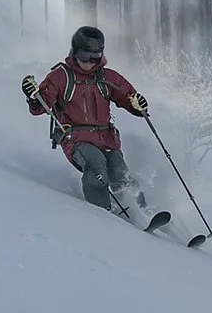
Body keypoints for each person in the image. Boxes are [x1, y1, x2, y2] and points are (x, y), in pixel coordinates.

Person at [24, 25, 152, 215]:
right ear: (75, 52)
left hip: (106, 138)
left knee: (120, 172)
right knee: (96, 166)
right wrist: (34, 97)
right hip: (75, 138)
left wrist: (138, 105)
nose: (90, 62)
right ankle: (102, 213)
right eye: (85, 56)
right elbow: (41, 106)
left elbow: (128, 97)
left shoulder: (107, 77)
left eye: (96, 57)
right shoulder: (61, 77)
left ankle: (142, 212)